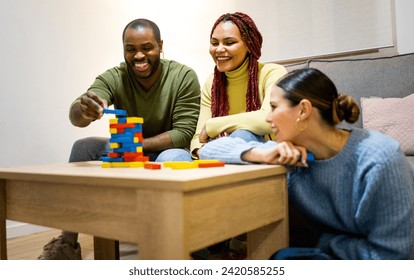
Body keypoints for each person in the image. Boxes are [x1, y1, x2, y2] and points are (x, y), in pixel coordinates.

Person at [199, 68, 414, 259]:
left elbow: (394, 255)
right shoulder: (292, 154)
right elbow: (209, 150)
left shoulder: (380, 159)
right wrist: (259, 153)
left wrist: (327, 246)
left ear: (303, 111)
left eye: (274, 107)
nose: (268, 118)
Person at [37, 18, 201, 260]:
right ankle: (67, 244)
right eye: (130, 49)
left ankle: (173, 245)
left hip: (165, 152)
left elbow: (183, 133)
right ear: (123, 48)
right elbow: (77, 113)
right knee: (83, 147)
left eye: (147, 48)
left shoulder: (183, 76)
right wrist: (84, 110)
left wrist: (134, 144)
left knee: (176, 157)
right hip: (127, 150)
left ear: (160, 46)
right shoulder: (114, 76)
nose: (138, 56)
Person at [190, 12, 287, 158]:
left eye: (229, 43)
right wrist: (201, 151)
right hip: (218, 155)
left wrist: (213, 125)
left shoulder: (272, 73)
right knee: (172, 156)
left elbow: (269, 119)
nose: (219, 49)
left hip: (264, 155)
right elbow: (198, 138)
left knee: (243, 135)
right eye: (214, 43)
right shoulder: (212, 83)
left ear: (249, 45)